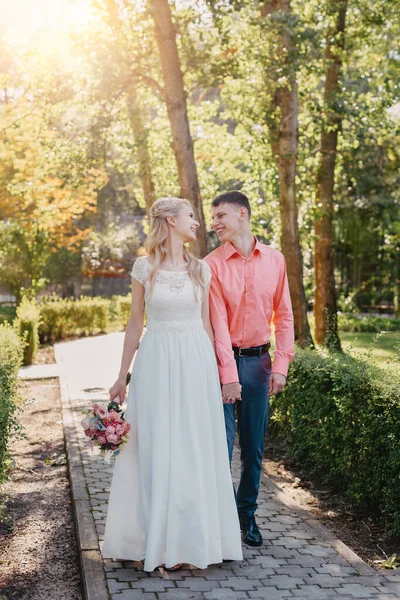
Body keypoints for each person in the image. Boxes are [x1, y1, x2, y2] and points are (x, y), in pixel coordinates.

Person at [102, 197, 243, 572]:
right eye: (191, 216)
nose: (197, 222)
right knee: (153, 444)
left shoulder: (201, 270)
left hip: (195, 363)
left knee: (192, 446)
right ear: (169, 221)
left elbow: (210, 327)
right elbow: (135, 325)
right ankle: (146, 539)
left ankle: (190, 541)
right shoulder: (143, 268)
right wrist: (121, 376)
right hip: (156, 361)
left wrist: (219, 374)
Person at [205, 190, 295, 547]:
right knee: (222, 446)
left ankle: (247, 515)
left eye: (221, 216)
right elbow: (216, 326)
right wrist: (228, 377)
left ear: (242, 214)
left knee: (254, 448)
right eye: (213, 219)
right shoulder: (210, 265)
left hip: (260, 364)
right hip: (221, 366)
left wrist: (281, 365)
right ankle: (222, 520)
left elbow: (284, 315)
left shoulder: (275, 260)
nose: (215, 224)